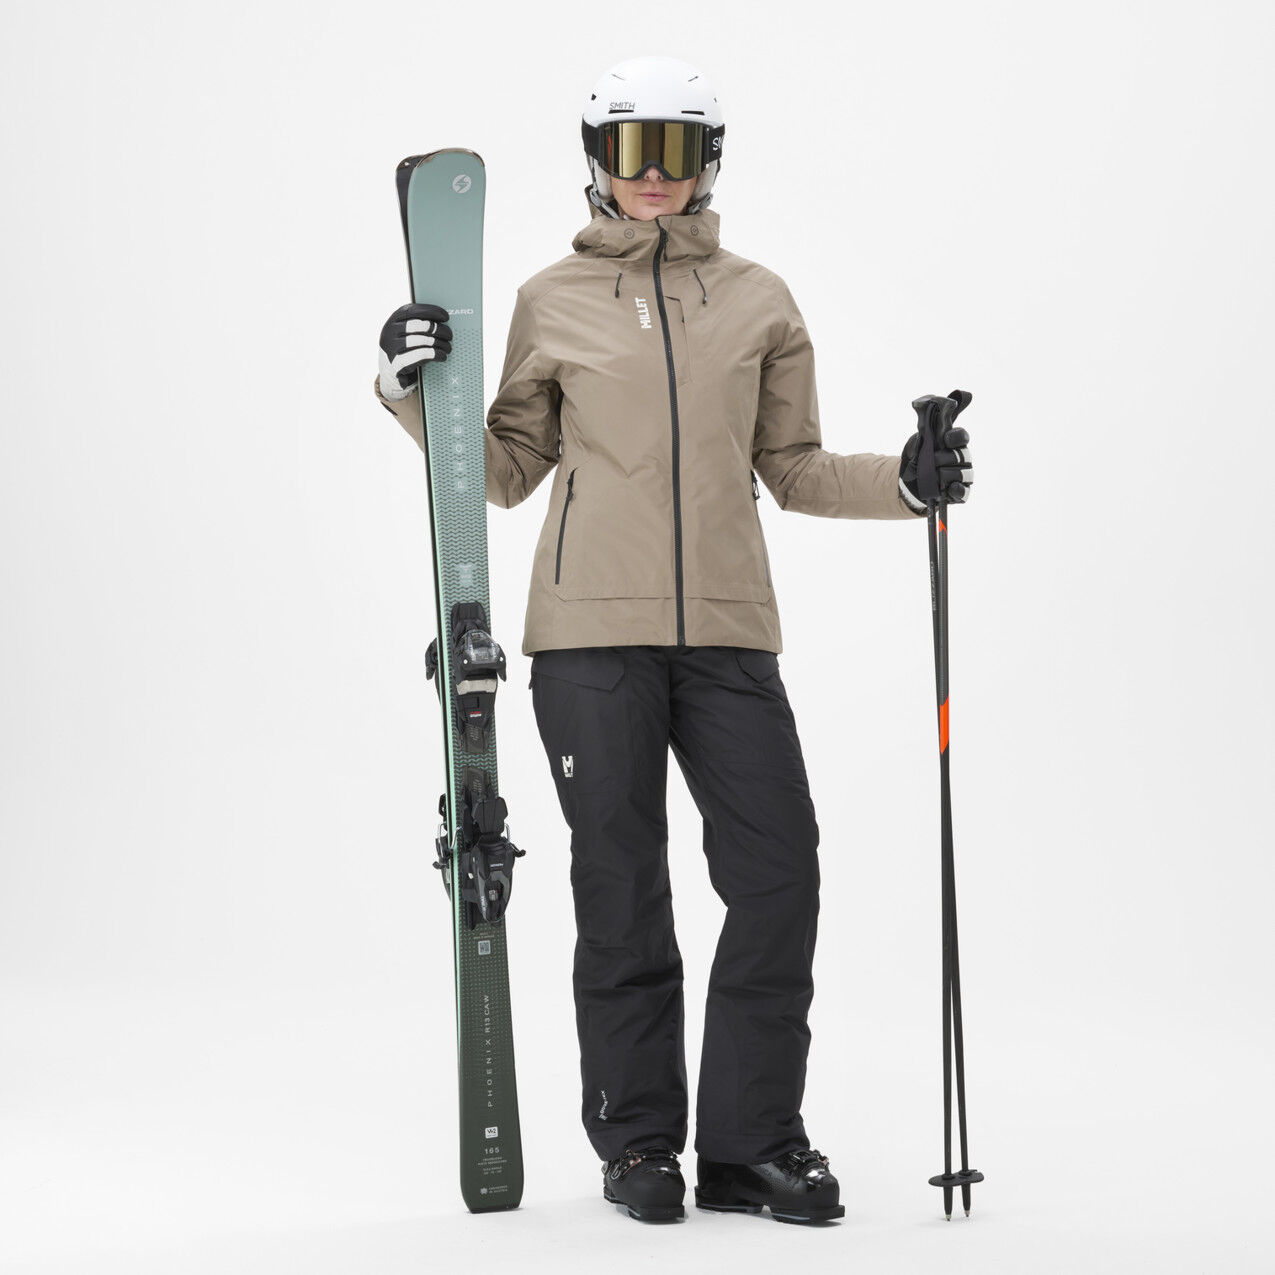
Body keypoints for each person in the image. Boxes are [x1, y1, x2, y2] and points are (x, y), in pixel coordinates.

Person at [375, 55, 974, 1225]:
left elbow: (794, 467)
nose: (655, 174)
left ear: (710, 162)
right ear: (598, 159)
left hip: (730, 640)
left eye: (679, 150)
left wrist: (906, 484)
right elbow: (504, 469)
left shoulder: (760, 300)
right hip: (588, 642)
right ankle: (639, 1142)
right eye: (632, 149)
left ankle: (752, 1146)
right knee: (623, 885)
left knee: (778, 871)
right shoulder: (551, 299)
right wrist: (413, 389)